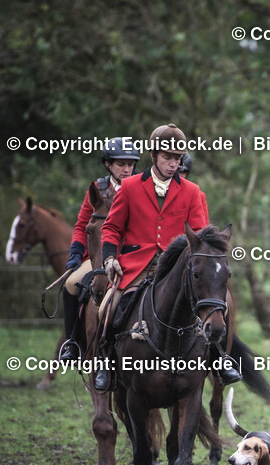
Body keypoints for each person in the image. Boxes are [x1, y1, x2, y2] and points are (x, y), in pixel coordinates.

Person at [93, 123, 240, 390]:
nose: (173, 164)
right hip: (137, 266)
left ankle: (220, 358)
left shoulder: (192, 191)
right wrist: (109, 258)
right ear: (154, 156)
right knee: (111, 305)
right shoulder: (129, 187)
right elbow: (111, 228)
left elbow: (200, 235)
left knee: (218, 304)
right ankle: (105, 361)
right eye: (167, 158)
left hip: (177, 268)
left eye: (178, 159)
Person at [59, 137, 140, 362]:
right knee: (70, 284)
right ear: (108, 164)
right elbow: (82, 224)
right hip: (98, 255)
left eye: (130, 164)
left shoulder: (141, 188)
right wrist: (76, 253)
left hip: (132, 255)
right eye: (121, 164)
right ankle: (73, 343)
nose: (126, 169)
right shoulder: (97, 189)